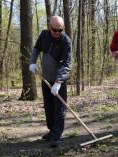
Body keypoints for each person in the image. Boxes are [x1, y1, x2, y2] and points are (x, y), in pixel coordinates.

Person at [29, 16, 73, 147]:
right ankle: (52, 131)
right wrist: (32, 62)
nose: (58, 33)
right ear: (50, 27)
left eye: (60, 30)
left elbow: (67, 63)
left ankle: (57, 136)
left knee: (59, 109)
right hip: (46, 78)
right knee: (48, 107)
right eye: (55, 30)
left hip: (59, 81)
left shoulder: (66, 41)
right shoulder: (44, 35)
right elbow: (36, 48)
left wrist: (59, 82)